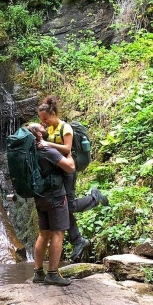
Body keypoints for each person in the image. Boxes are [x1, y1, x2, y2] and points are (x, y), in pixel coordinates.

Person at [37, 95, 108, 261]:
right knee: (64, 207)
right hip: (58, 172)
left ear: (53, 113)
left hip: (69, 170)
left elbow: (67, 148)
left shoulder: (65, 128)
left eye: (45, 118)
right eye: (41, 119)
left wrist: (48, 144)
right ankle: (78, 240)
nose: (43, 121)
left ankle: (94, 198)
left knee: (70, 205)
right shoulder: (50, 129)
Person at [27, 123, 76, 287]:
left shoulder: (29, 152)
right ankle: (53, 274)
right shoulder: (46, 151)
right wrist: (69, 154)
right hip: (55, 196)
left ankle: (38, 272)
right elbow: (70, 168)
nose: (44, 127)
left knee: (43, 233)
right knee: (57, 233)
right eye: (40, 127)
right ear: (39, 135)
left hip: (39, 197)